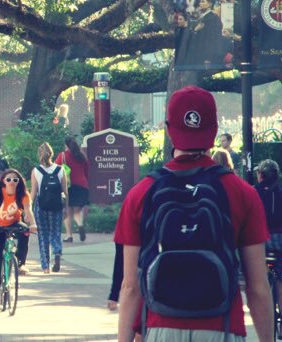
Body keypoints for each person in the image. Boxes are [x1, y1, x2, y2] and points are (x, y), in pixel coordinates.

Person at [116, 86, 272, 341]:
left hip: (159, 327)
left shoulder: (141, 193)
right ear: (214, 129)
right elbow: (257, 287)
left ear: (169, 130)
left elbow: (130, 286)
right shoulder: (242, 193)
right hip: (223, 328)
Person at [0, 169, 38, 308]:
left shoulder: (23, 193)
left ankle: (20, 263)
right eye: (8, 179)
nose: (12, 182)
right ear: (3, 181)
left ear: (19, 182)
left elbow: (28, 210)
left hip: (14, 223)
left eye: (15, 179)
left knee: (25, 232)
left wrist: (33, 224)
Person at [29, 143, 68, 274]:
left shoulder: (36, 171)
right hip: (57, 206)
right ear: (51, 154)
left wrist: (28, 209)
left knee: (43, 235)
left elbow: (34, 192)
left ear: (39, 155)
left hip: (41, 206)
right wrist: (66, 208)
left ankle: (45, 266)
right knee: (55, 232)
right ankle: (57, 251)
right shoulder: (60, 170)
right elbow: (65, 191)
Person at [256, 159, 282, 317]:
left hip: (260, 241)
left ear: (260, 175)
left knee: (259, 277)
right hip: (279, 241)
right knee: (281, 279)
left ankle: (263, 310)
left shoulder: (253, 192)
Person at [55, 137, 89, 242]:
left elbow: (56, 170)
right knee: (77, 210)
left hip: (68, 186)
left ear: (66, 145)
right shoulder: (81, 156)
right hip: (82, 185)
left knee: (68, 211)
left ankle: (69, 236)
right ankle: (80, 224)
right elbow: (86, 171)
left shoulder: (62, 156)